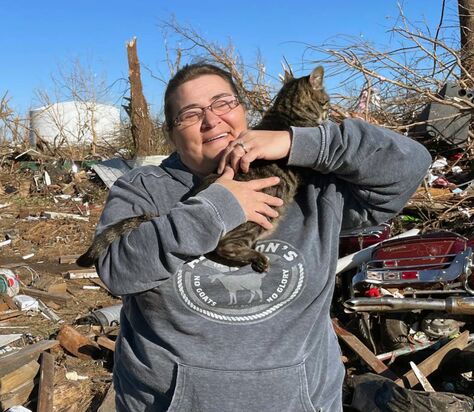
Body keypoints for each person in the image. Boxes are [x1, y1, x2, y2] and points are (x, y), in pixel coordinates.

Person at [95, 62, 431, 412]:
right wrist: (215, 209)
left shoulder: (309, 179)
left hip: (299, 402)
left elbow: (409, 164)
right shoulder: (146, 189)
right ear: (171, 133)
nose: (212, 121)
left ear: (243, 110)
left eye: (223, 103)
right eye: (190, 114)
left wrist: (299, 141)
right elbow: (117, 270)